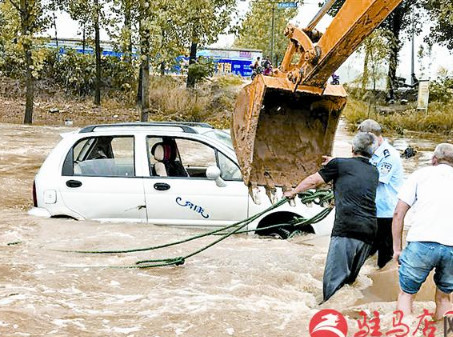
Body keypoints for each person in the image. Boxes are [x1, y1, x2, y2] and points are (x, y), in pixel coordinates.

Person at [284, 132, 379, 302]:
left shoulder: (339, 164)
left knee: (333, 286)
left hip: (347, 230)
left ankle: (326, 317)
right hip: (369, 233)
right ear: (372, 152)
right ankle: (346, 317)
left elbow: (314, 181)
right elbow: (354, 182)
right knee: (349, 283)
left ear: (352, 148)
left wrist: (293, 192)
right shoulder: (374, 171)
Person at [392, 143, 453, 320]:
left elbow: (398, 213)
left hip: (422, 243)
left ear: (434, 159)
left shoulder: (420, 175)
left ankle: (405, 331)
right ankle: (443, 331)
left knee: (406, 295)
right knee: (444, 298)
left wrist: (397, 248)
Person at [358, 119, 404, 268]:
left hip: (386, 214)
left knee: (385, 260)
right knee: (363, 253)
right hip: (371, 212)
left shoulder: (388, 155)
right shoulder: (370, 152)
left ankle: (382, 286)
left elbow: (374, 179)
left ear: (376, 137)